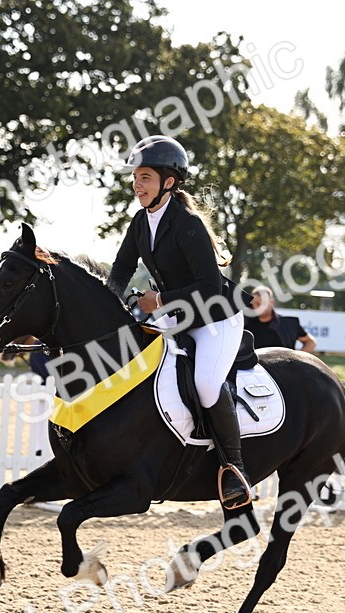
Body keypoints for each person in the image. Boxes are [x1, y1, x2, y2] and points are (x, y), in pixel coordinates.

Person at [104, 134, 251, 510]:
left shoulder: (188, 224)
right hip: (178, 316)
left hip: (216, 318)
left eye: (145, 178)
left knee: (205, 384)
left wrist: (160, 300)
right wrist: (105, 305)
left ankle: (234, 469)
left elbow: (210, 286)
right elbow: (121, 269)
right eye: (135, 177)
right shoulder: (141, 222)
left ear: (168, 182)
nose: (137, 185)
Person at [244, 286, 317, 352]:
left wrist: (297, 357)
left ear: (271, 302)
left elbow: (310, 342)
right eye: (256, 303)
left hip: (284, 362)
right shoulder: (245, 325)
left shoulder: (289, 324)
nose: (260, 307)